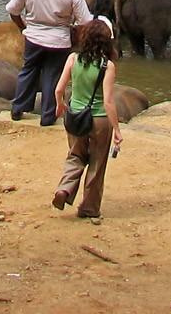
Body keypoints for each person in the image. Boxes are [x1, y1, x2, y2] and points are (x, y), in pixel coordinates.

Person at [7, 0, 90, 125]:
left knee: (28, 70)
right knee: (52, 76)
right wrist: (74, 35)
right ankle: (47, 116)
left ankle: (18, 108)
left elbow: (12, 10)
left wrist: (24, 27)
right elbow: (85, 21)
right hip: (59, 40)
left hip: (33, 36)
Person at [52, 18, 122, 219]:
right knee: (97, 163)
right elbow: (108, 101)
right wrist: (117, 130)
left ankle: (64, 189)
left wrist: (60, 105)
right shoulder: (107, 66)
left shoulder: (73, 59)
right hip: (99, 119)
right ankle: (89, 208)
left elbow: (59, 89)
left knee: (75, 155)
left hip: (75, 115)